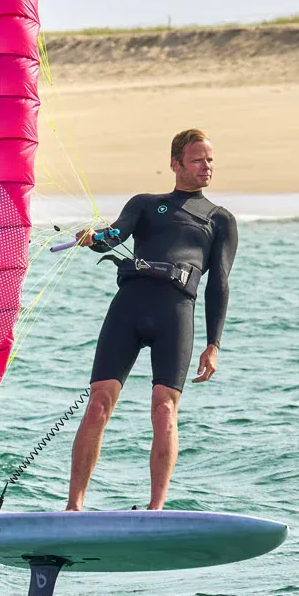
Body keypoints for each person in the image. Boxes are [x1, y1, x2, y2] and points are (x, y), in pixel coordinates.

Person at [66, 128, 238, 511]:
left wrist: (213, 344)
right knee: (99, 402)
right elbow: (114, 236)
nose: (206, 166)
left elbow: (219, 284)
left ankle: (155, 508)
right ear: (175, 164)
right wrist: (94, 238)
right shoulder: (145, 204)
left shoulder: (220, 219)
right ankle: (74, 506)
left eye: (210, 159)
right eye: (197, 159)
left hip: (175, 312)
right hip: (130, 305)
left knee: (164, 408)